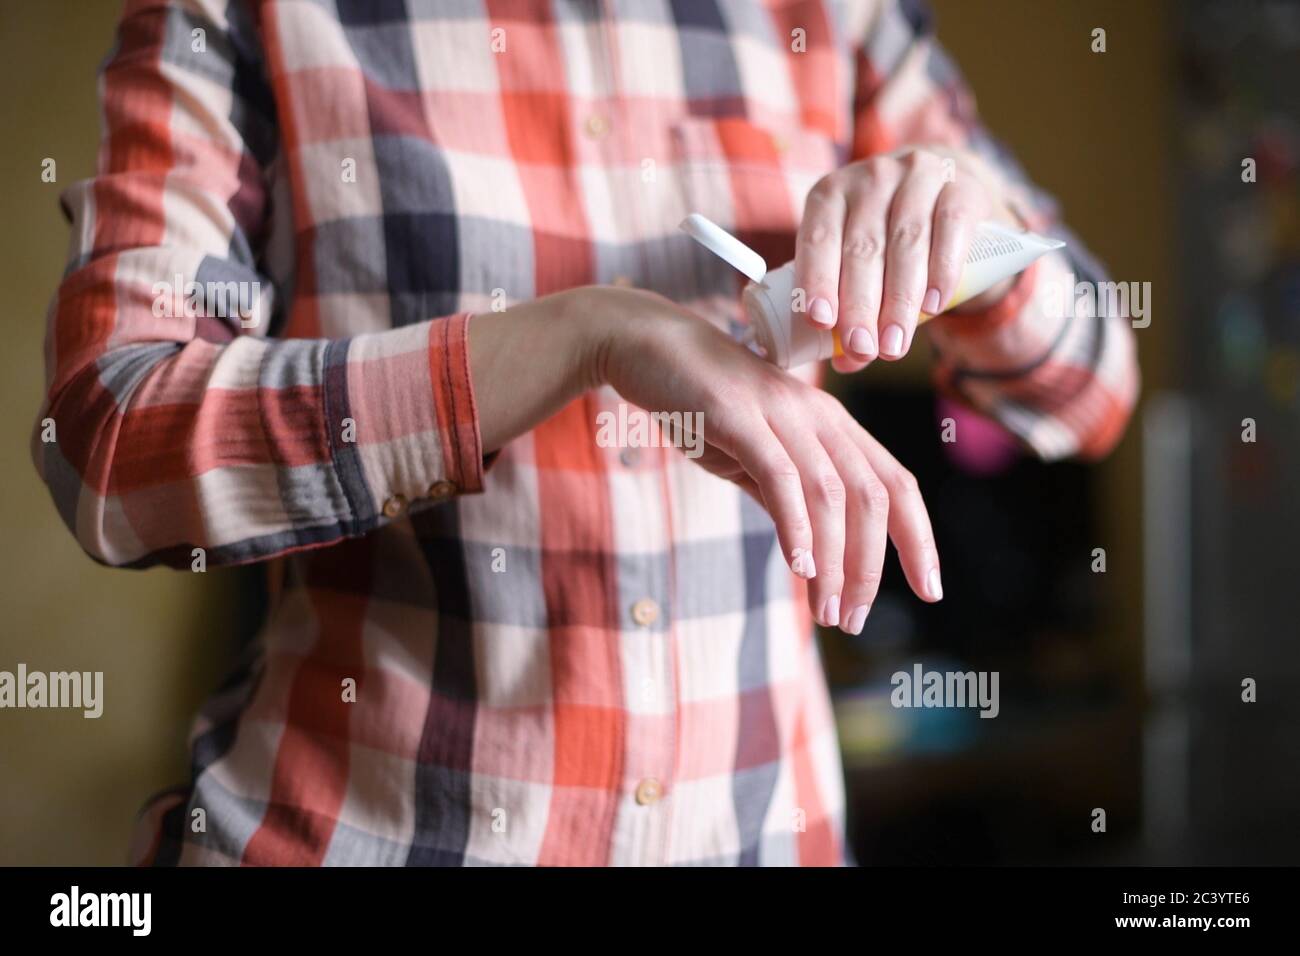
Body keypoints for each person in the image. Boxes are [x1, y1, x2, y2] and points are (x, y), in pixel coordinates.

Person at [33, 0, 1137, 866]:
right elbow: (111, 444)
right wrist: (579, 335)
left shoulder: (838, 15)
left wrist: (976, 221)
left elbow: (1091, 391)